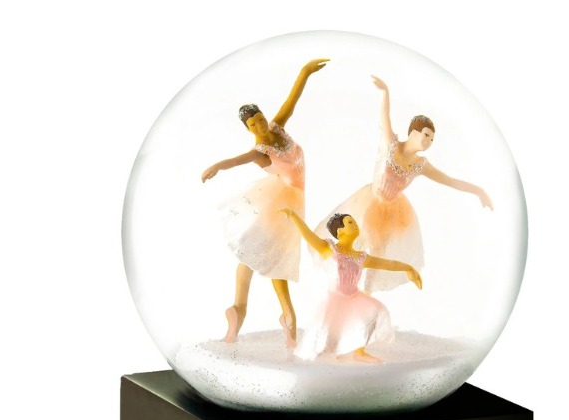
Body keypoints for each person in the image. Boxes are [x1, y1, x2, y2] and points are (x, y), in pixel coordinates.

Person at [315, 76, 493, 293]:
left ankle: (366, 293)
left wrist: (478, 191)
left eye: (432, 139)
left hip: (393, 212)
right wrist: (385, 92)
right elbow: (384, 117)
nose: (428, 141)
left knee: (378, 251)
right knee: (357, 243)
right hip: (370, 201)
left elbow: (449, 180)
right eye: (426, 135)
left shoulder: (421, 164)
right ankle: (342, 285)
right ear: (413, 132)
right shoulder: (390, 144)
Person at [201, 58, 328, 345]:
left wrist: (305, 72)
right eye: (253, 125)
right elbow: (238, 160)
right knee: (275, 257)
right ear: (248, 130)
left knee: (256, 253)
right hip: (282, 205)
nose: (259, 126)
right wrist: (218, 166)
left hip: (291, 200)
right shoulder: (261, 151)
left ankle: (239, 309)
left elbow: (292, 101)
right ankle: (287, 316)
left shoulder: (277, 127)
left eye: (259, 119)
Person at [280, 208, 422, 363]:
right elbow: (308, 234)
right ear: (340, 231)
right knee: (327, 333)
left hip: (354, 297)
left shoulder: (361, 257)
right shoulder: (329, 249)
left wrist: (408, 268)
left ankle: (359, 352)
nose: (355, 225)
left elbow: (388, 263)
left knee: (376, 311)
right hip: (335, 298)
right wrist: (293, 216)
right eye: (350, 222)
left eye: (354, 222)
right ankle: (331, 351)